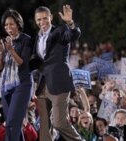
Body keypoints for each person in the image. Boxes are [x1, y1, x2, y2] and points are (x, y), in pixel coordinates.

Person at [29, 5, 83, 141]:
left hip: (59, 82)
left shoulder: (60, 31)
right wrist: (21, 66)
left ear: (51, 17)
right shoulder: (38, 37)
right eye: (39, 20)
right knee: (44, 127)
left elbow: (73, 35)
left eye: (45, 19)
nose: (42, 22)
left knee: (59, 123)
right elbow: (38, 59)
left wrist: (70, 23)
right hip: (42, 84)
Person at [0, 9, 32, 141]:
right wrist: (1, 52)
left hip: (22, 85)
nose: (8, 27)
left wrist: (11, 49)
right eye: (6, 25)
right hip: (6, 86)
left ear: (18, 24)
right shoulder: (5, 41)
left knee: (12, 123)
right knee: (12, 123)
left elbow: (23, 63)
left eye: (11, 24)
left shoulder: (26, 40)